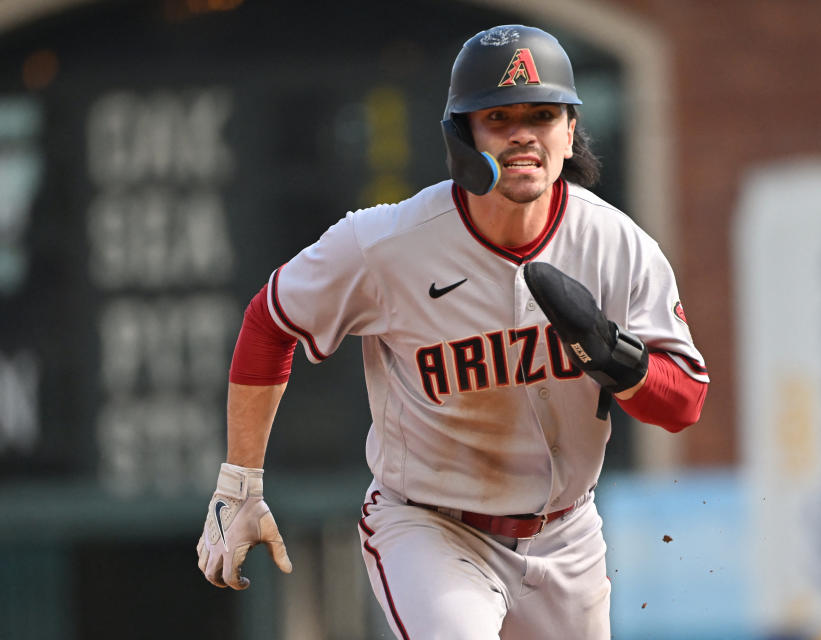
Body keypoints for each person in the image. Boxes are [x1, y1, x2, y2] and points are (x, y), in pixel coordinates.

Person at [197, 24, 709, 639]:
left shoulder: (617, 245)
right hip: (432, 529)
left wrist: (620, 361)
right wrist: (238, 485)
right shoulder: (386, 244)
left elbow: (684, 403)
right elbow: (269, 320)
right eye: (498, 116)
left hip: (568, 536)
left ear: (570, 132)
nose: (524, 132)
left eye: (543, 114)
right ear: (462, 137)